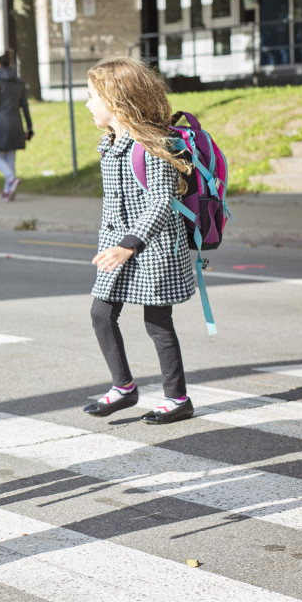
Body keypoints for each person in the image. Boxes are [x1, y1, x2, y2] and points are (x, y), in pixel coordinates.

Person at [81, 56, 196, 425]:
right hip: (118, 245)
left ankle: (177, 398)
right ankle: (124, 387)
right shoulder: (109, 143)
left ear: (115, 101)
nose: (87, 105)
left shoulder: (151, 145)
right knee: (101, 313)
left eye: (90, 96)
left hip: (153, 246)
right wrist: (112, 244)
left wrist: (131, 242)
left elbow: (162, 200)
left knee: (158, 323)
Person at [0, 51, 34, 202]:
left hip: (1, 122)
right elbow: (25, 105)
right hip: (16, 122)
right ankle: (7, 191)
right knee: (10, 157)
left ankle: (11, 178)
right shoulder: (19, 81)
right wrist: (29, 126)